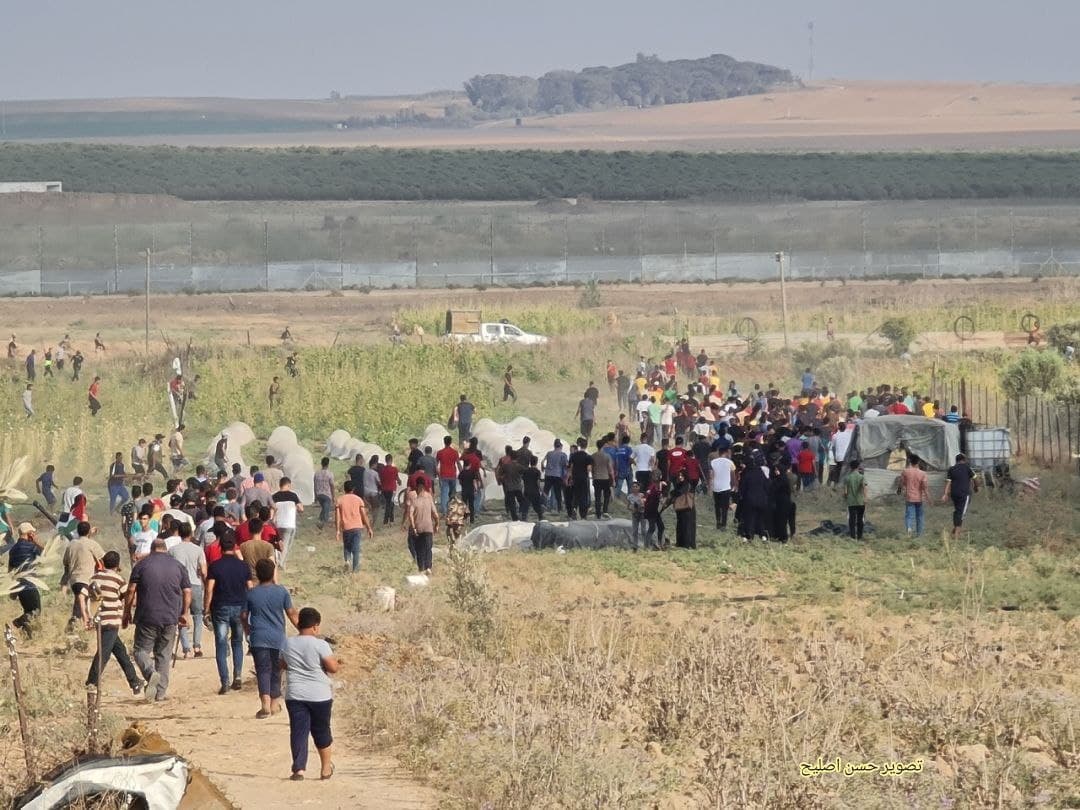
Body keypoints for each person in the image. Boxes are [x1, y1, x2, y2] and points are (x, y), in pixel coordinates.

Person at [125, 538, 191, 702]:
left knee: (140, 651)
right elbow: (187, 592)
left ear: (152, 549)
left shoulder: (141, 565)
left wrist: (126, 612)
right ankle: (160, 693)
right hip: (170, 617)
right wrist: (185, 613)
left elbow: (131, 590)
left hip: (147, 615)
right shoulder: (178, 566)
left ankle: (149, 672)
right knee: (164, 655)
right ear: (165, 549)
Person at [282, 607, 338, 781]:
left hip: (295, 694)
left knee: (299, 731)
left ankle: (299, 769)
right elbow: (333, 668)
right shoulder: (321, 644)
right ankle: (325, 768)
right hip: (319, 694)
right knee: (321, 730)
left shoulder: (287, 643)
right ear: (315, 626)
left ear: (299, 624)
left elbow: (282, 664)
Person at [244, 558, 299, 719]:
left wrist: (247, 630)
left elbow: (243, 615)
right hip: (278, 638)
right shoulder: (281, 591)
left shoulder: (251, 593)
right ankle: (275, 703)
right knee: (277, 670)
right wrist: (303, 631)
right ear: (272, 573)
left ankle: (265, 704)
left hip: (258, 637)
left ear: (257, 574)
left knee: (262, 670)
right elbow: (291, 614)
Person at [86, 551, 144, 696]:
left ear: (103, 562)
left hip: (100, 619)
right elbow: (130, 598)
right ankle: (91, 682)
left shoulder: (94, 578)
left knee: (121, 652)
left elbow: (90, 596)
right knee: (104, 653)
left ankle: (135, 682)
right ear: (117, 565)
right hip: (112, 620)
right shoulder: (118, 579)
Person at [205, 536, 251, 694]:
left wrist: (206, 609)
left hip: (220, 607)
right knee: (237, 642)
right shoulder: (243, 566)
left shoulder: (215, 566)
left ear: (220, 548)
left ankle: (224, 682)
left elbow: (210, 589)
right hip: (240, 607)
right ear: (235, 547)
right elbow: (249, 587)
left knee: (221, 643)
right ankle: (237, 676)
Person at [170, 524, 207, 659]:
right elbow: (203, 571)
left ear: (179, 533)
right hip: (195, 584)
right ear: (191, 534)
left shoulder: (173, 550)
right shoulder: (198, 550)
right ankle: (197, 646)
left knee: (181, 615)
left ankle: (186, 649)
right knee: (197, 616)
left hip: (179, 586)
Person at [62, 521, 105, 634]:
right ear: (88, 531)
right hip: (87, 579)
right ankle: (84, 625)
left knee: (79, 606)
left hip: (74, 580)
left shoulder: (71, 544)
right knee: (86, 604)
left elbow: (65, 563)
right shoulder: (92, 544)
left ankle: (72, 630)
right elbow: (103, 558)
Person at [8, 523, 43, 639]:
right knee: (36, 611)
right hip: (30, 584)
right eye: (32, 532)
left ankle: (28, 638)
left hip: (19, 586)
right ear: (29, 533)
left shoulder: (13, 549)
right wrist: (36, 541)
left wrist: (12, 589)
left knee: (28, 611)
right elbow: (44, 554)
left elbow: (10, 570)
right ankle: (17, 622)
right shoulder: (31, 546)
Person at [335, 480, 373, 574]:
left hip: (346, 528)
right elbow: (364, 515)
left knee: (347, 547)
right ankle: (355, 570)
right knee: (356, 549)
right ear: (353, 489)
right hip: (357, 527)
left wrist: (337, 530)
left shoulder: (340, 500)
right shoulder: (358, 499)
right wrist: (369, 528)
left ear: (344, 489)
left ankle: (347, 560)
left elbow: (337, 516)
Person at [406, 479, 438, 575]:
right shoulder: (429, 500)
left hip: (419, 528)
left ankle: (421, 568)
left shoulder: (415, 501)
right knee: (428, 548)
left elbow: (410, 514)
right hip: (428, 528)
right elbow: (435, 514)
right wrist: (437, 524)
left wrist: (413, 526)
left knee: (420, 549)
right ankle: (428, 567)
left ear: (419, 488)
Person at [942, 452, 976, 538]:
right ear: (964, 460)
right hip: (964, 494)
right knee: (961, 513)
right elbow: (975, 478)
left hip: (954, 494)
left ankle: (955, 529)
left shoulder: (951, 469)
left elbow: (948, 482)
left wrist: (945, 494)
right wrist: (976, 487)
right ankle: (957, 534)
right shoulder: (967, 468)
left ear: (956, 461)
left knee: (958, 511)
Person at [272, 477, 303, 568]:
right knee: (286, 544)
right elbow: (301, 509)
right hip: (289, 524)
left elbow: (271, 512)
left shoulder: (274, 496)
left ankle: (278, 559)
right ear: (288, 485)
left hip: (278, 523)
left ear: (280, 485)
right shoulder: (293, 496)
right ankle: (281, 563)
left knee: (278, 542)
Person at [898, 455, 930, 536]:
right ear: (918, 462)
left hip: (909, 497)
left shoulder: (905, 471)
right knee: (920, 516)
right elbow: (925, 487)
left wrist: (899, 490)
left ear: (910, 461)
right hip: (919, 498)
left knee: (909, 515)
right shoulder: (923, 473)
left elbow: (901, 483)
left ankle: (909, 528)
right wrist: (929, 499)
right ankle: (919, 534)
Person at [709, 446, 736, 530]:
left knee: (717, 506)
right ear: (726, 453)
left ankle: (718, 522)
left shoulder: (713, 462)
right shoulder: (730, 462)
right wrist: (733, 485)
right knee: (725, 507)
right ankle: (723, 524)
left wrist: (710, 486)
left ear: (719, 453)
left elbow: (711, 475)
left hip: (716, 487)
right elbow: (733, 476)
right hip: (726, 487)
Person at [567, 438, 592, 520]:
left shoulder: (573, 455)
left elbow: (571, 468)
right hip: (584, 478)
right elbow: (589, 469)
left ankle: (574, 509)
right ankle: (583, 514)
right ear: (586, 446)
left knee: (576, 495)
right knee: (584, 496)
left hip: (575, 478)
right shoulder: (588, 457)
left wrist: (569, 478)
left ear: (580, 445)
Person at [435, 436, 459, 516]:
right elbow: (458, 464)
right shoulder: (455, 452)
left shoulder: (440, 452)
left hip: (443, 475)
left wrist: (437, 473)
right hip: (452, 475)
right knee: (452, 493)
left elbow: (436, 464)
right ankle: (452, 509)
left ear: (444, 441)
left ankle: (444, 511)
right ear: (450, 442)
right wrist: (462, 473)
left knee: (444, 493)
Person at [541, 439, 568, 513]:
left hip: (548, 474)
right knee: (557, 492)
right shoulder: (563, 455)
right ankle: (559, 509)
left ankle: (542, 505)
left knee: (545, 491)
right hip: (557, 475)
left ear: (554, 445)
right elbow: (565, 465)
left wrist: (542, 468)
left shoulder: (549, 453)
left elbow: (542, 461)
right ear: (561, 446)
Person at [843, 463, 868, 541]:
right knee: (860, 519)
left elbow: (845, 492)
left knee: (852, 519)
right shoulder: (861, 477)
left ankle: (853, 537)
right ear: (858, 467)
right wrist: (865, 498)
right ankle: (860, 537)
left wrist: (845, 498)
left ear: (850, 467)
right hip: (860, 501)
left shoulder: (847, 478)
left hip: (851, 502)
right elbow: (864, 487)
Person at [590, 439, 613, 519]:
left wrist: (593, 477)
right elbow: (610, 469)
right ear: (603, 446)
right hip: (605, 478)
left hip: (596, 478)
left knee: (597, 496)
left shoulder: (593, 456)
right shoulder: (607, 456)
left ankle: (598, 513)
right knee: (607, 495)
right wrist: (613, 479)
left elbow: (591, 469)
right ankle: (605, 511)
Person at [313, 457, 335, 530]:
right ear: (328, 464)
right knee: (326, 511)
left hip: (319, 494)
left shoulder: (317, 473)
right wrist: (333, 496)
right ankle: (322, 524)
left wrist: (315, 496)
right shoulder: (330, 474)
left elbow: (315, 485)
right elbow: (332, 486)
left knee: (324, 509)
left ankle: (319, 521)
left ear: (321, 464)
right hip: (327, 495)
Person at [521, 456, 544, 521]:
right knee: (537, 506)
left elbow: (522, 481)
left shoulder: (525, 471)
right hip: (535, 491)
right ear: (536, 462)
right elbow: (538, 482)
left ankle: (523, 519)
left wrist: (522, 489)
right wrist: (541, 490)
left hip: (527, 491)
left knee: (525, 506)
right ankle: (541, 518)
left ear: (530, 462)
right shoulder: (537, 471)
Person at [379, 454, 399, 525]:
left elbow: (380, 479)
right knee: (391, 504)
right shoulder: (394, 469)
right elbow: (397, 479)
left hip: (384, 489)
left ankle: (387, 520)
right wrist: (399, 482)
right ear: (391, 460)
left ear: (385, 460)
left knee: (388, 504)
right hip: (392, 489)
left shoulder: (382, 470)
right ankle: (390, 521)